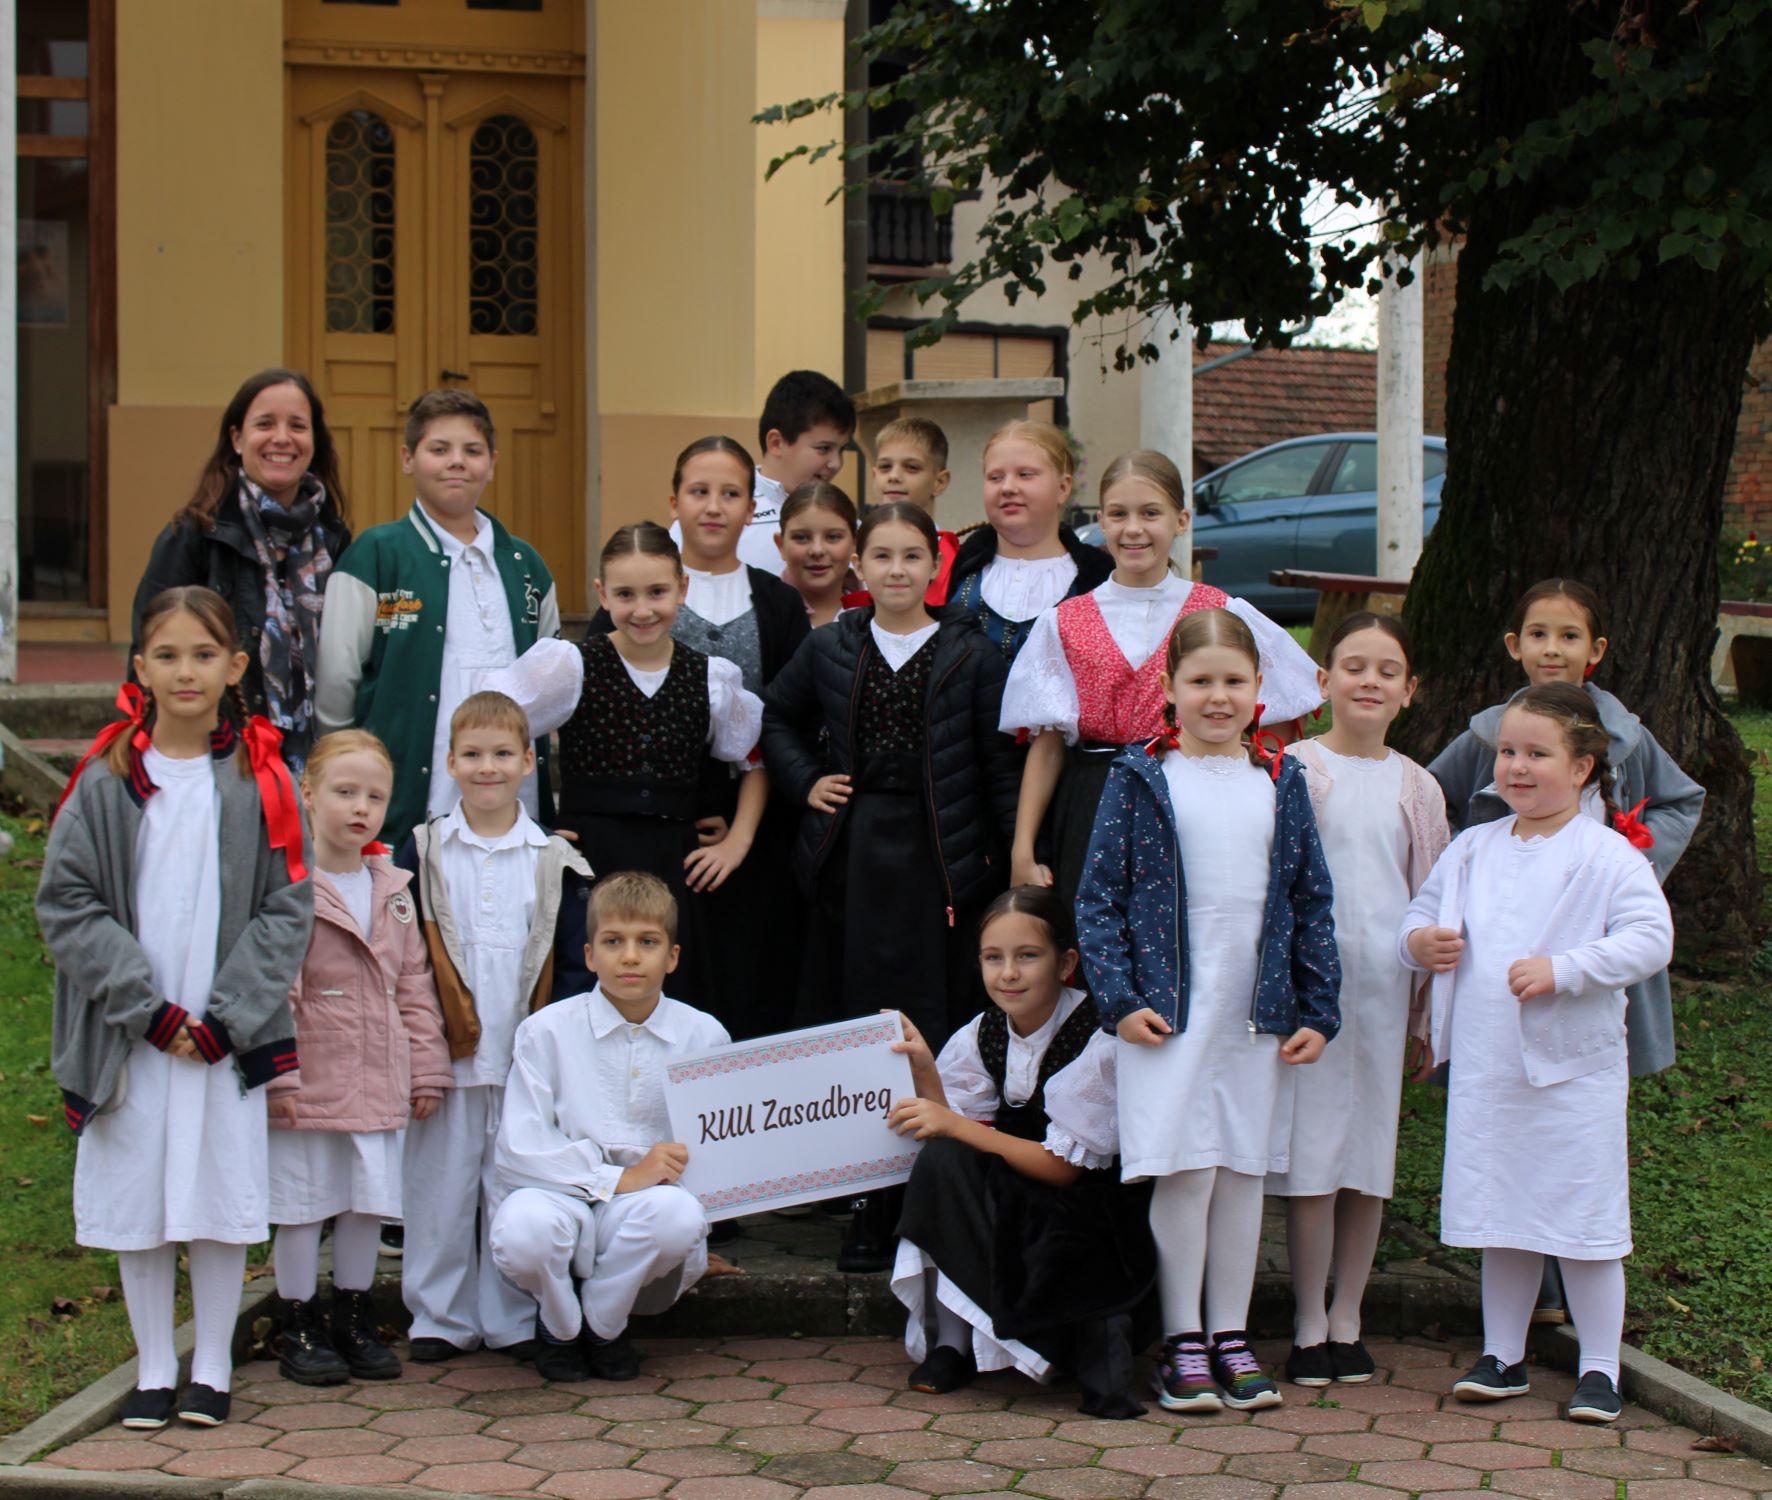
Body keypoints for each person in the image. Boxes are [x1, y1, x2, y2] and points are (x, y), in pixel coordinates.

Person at [38, 586, 313, 1431]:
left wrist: (225, 1016)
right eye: (167, 655)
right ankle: (155, 1364)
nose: (185, 671)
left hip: (221, 1033)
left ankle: (215, 1363)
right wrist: (147, 1011)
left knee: (218, 1190)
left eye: (203, 654)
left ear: (235, 667)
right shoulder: (108, 780)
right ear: (140, 669)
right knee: (141, 1195)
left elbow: (286, 907)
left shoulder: (261, 781)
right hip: (137, 1032)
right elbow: (68, 901)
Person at [1076, 607, 1341, 1414]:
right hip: (1168, 1011)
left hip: (1255, 1010)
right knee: (1184, 1168)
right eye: (1201, 682)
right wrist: (1118, 1000)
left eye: (1234, 682)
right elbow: (1099, 900)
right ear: (1170, 688)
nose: (1217, 698)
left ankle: (1232, 1334)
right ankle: (1182, 1338)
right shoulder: (1139, 778)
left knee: (1239, 1171)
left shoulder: (1279, 779)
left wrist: (1317, 1009)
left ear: (1260, 689)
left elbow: (1309, 897)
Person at [1427, 577, 1704, 1321]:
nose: (1554, 648)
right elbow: (1432, 798)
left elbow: (1682, 800)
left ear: (1596, 651)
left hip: (1591, 961)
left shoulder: (1631, 738)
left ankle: (1579, 1275)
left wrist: (1635, 864)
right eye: (1539, 634)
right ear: (1515, 647)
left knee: (1575, 1129)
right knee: (1508, 1122)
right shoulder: (1488, 737)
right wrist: (1466, 870)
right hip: (1502, 968)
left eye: (1570, 635)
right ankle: (1532, 1295)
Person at [1402, 683, 1675, 1425]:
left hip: (1571, 1071)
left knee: (1583, 1217)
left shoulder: (1607, 856)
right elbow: (1421, 914)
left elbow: (1651, 940)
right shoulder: (1472, 848)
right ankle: (1503, 1354)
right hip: (1491, 1070)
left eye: (1538, 754)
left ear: (1583, 767)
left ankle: (1598, 1364)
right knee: (1502, 1211)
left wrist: (1567, 969)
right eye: (1509, 754)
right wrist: (1419, 943)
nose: (1518, 769)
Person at [762, 502, 1021, 1270]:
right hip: (853, 861)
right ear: (860, 568)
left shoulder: (972, 655)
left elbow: (999, 768)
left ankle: (927, 1198)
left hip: (943, 866)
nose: (898, 569)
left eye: (913, 555)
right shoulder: (832, 645)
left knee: (931, 1026)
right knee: (856, 1028)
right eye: (883, 555)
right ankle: (867, 1205)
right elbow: (776, 718)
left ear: (934, 567)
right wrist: (808, 780)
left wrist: (1008, 862)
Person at [1002, 450, 1322, 904]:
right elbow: (1048, 744)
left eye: (1151, 513)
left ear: (1181, 520)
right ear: (1102, 522)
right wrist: (1023, 847)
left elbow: (1271, 717)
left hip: (1190, 795)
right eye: (1118, 514)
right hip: (1092, 800)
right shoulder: (1064, 622)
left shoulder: (1219, 613)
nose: (1133, 528)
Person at [889, 887, 1156, 1417]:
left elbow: (1061, 1169)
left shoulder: (1099, 1035)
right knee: (939, 1162)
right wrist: (923, 1069)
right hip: (1012, 1181)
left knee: (961, 1156)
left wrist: (956, 1129)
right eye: (994, 958)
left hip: (1086, 1201)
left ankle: (1045, 1345)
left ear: (1066, 963)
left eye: (1027, 956)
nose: (1008, 973)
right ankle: (952, 1344)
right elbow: (955, 1128)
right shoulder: (982, 1033)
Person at [1268, 614, 1449, 1387]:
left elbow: (1434, 897)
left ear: (1409, 691)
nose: (1368, 681)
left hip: (1384, 991)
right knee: (1311, 1157)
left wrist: (1423, 1018)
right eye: (1353, 666)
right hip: (1313, 997)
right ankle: (1308, 1319)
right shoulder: (1292, 770)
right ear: (1322, 682)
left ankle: (1351, 1316)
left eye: (1386, 670)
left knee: (1368, 1158)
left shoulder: (1420, 785)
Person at [394, 691, 592, 1363]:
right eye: (473, 754)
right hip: (445, 1057)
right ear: (449, 762)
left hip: (520, 1058)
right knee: (438, 1187)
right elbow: (406, 955)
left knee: (511, 1185)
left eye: (502, 754)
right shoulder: (421, 850)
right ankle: (438, 1317)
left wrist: (551, 1053)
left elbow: (569, 967)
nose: (488, 768)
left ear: (528, 762)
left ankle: (509, 1316)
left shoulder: (551, 860)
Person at [490, 872, 735, 1382]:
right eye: (613, 942)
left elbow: (718, 1140)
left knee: (679, 1218)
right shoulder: (545, 1032)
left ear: (672, 956)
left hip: (646, 1204)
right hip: (559, 1192)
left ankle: (604, 1323)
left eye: (647, 942)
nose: (629, 957)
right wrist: (616, 1179)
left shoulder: (704, 1035)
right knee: (523, 1229)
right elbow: (520, 1144)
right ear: (589, 954)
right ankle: (558, 1325)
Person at [268, 730, 453, 1386]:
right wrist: (279, 1071)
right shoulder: (293, 887)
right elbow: (280, 987)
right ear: (309, 793)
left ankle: (351, 1313)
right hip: (312, 1081)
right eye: (345, 792)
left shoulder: (392, 888)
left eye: (374, 797)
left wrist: (426, 1066)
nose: (360, 808)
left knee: (363, 1204)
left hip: (378, 1078)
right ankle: (296, 1318)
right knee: (302, 1203)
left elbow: (413, 983)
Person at [314, 388, 560, 847]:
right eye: (439, 449)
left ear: (492, 461)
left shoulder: (527, 566)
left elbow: (550, 682)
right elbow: (336, 684)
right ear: (408, 458)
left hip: (512, 804)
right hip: (408, 800)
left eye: (472, 450)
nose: (457, 462)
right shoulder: (375, 555)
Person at [557, 523, 764, 1017]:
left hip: (675, 865)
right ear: (603, 594)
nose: (643, 609)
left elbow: (754, 759)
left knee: (674, 997)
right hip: (591, 861)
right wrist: (535, 827)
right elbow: (503, 736)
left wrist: (738, 840)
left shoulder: (709, 676)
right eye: (625, 594)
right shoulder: (570, 667)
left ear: (682, 589)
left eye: (657, 592)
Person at [132, 370, 351, 771]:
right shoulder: (194, 535)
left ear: (313, 441)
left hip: (317, 772)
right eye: (265, 424)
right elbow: (145, 651)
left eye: (297, 426)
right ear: (236, 438)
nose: (282, 438)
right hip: (216, 760)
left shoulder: (336, 541)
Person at [946, 420, 1113, 662]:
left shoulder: (1100, 579)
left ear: (1063, 488)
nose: (1008, 487)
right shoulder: (957, 569)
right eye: (995, 477)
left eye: (1025, 475)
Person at [671, 370, 855, 573]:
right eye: (824, 449)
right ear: (776, 443)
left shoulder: (848, 522)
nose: (836, 463)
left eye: (842, 450)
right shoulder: (716, 517)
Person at [872, 416, 960, 604]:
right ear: (874, 475)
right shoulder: (852, 546)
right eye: (885, 467)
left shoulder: (954, 558)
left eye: (911, 467)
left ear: (939, 481)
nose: (894, 476)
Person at [775, 481, 860, 626]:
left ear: (855, 543)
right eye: (801, 537)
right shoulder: (763, 611)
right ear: (781, 545)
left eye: (833, 537)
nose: (817, 550)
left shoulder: (879, 608)